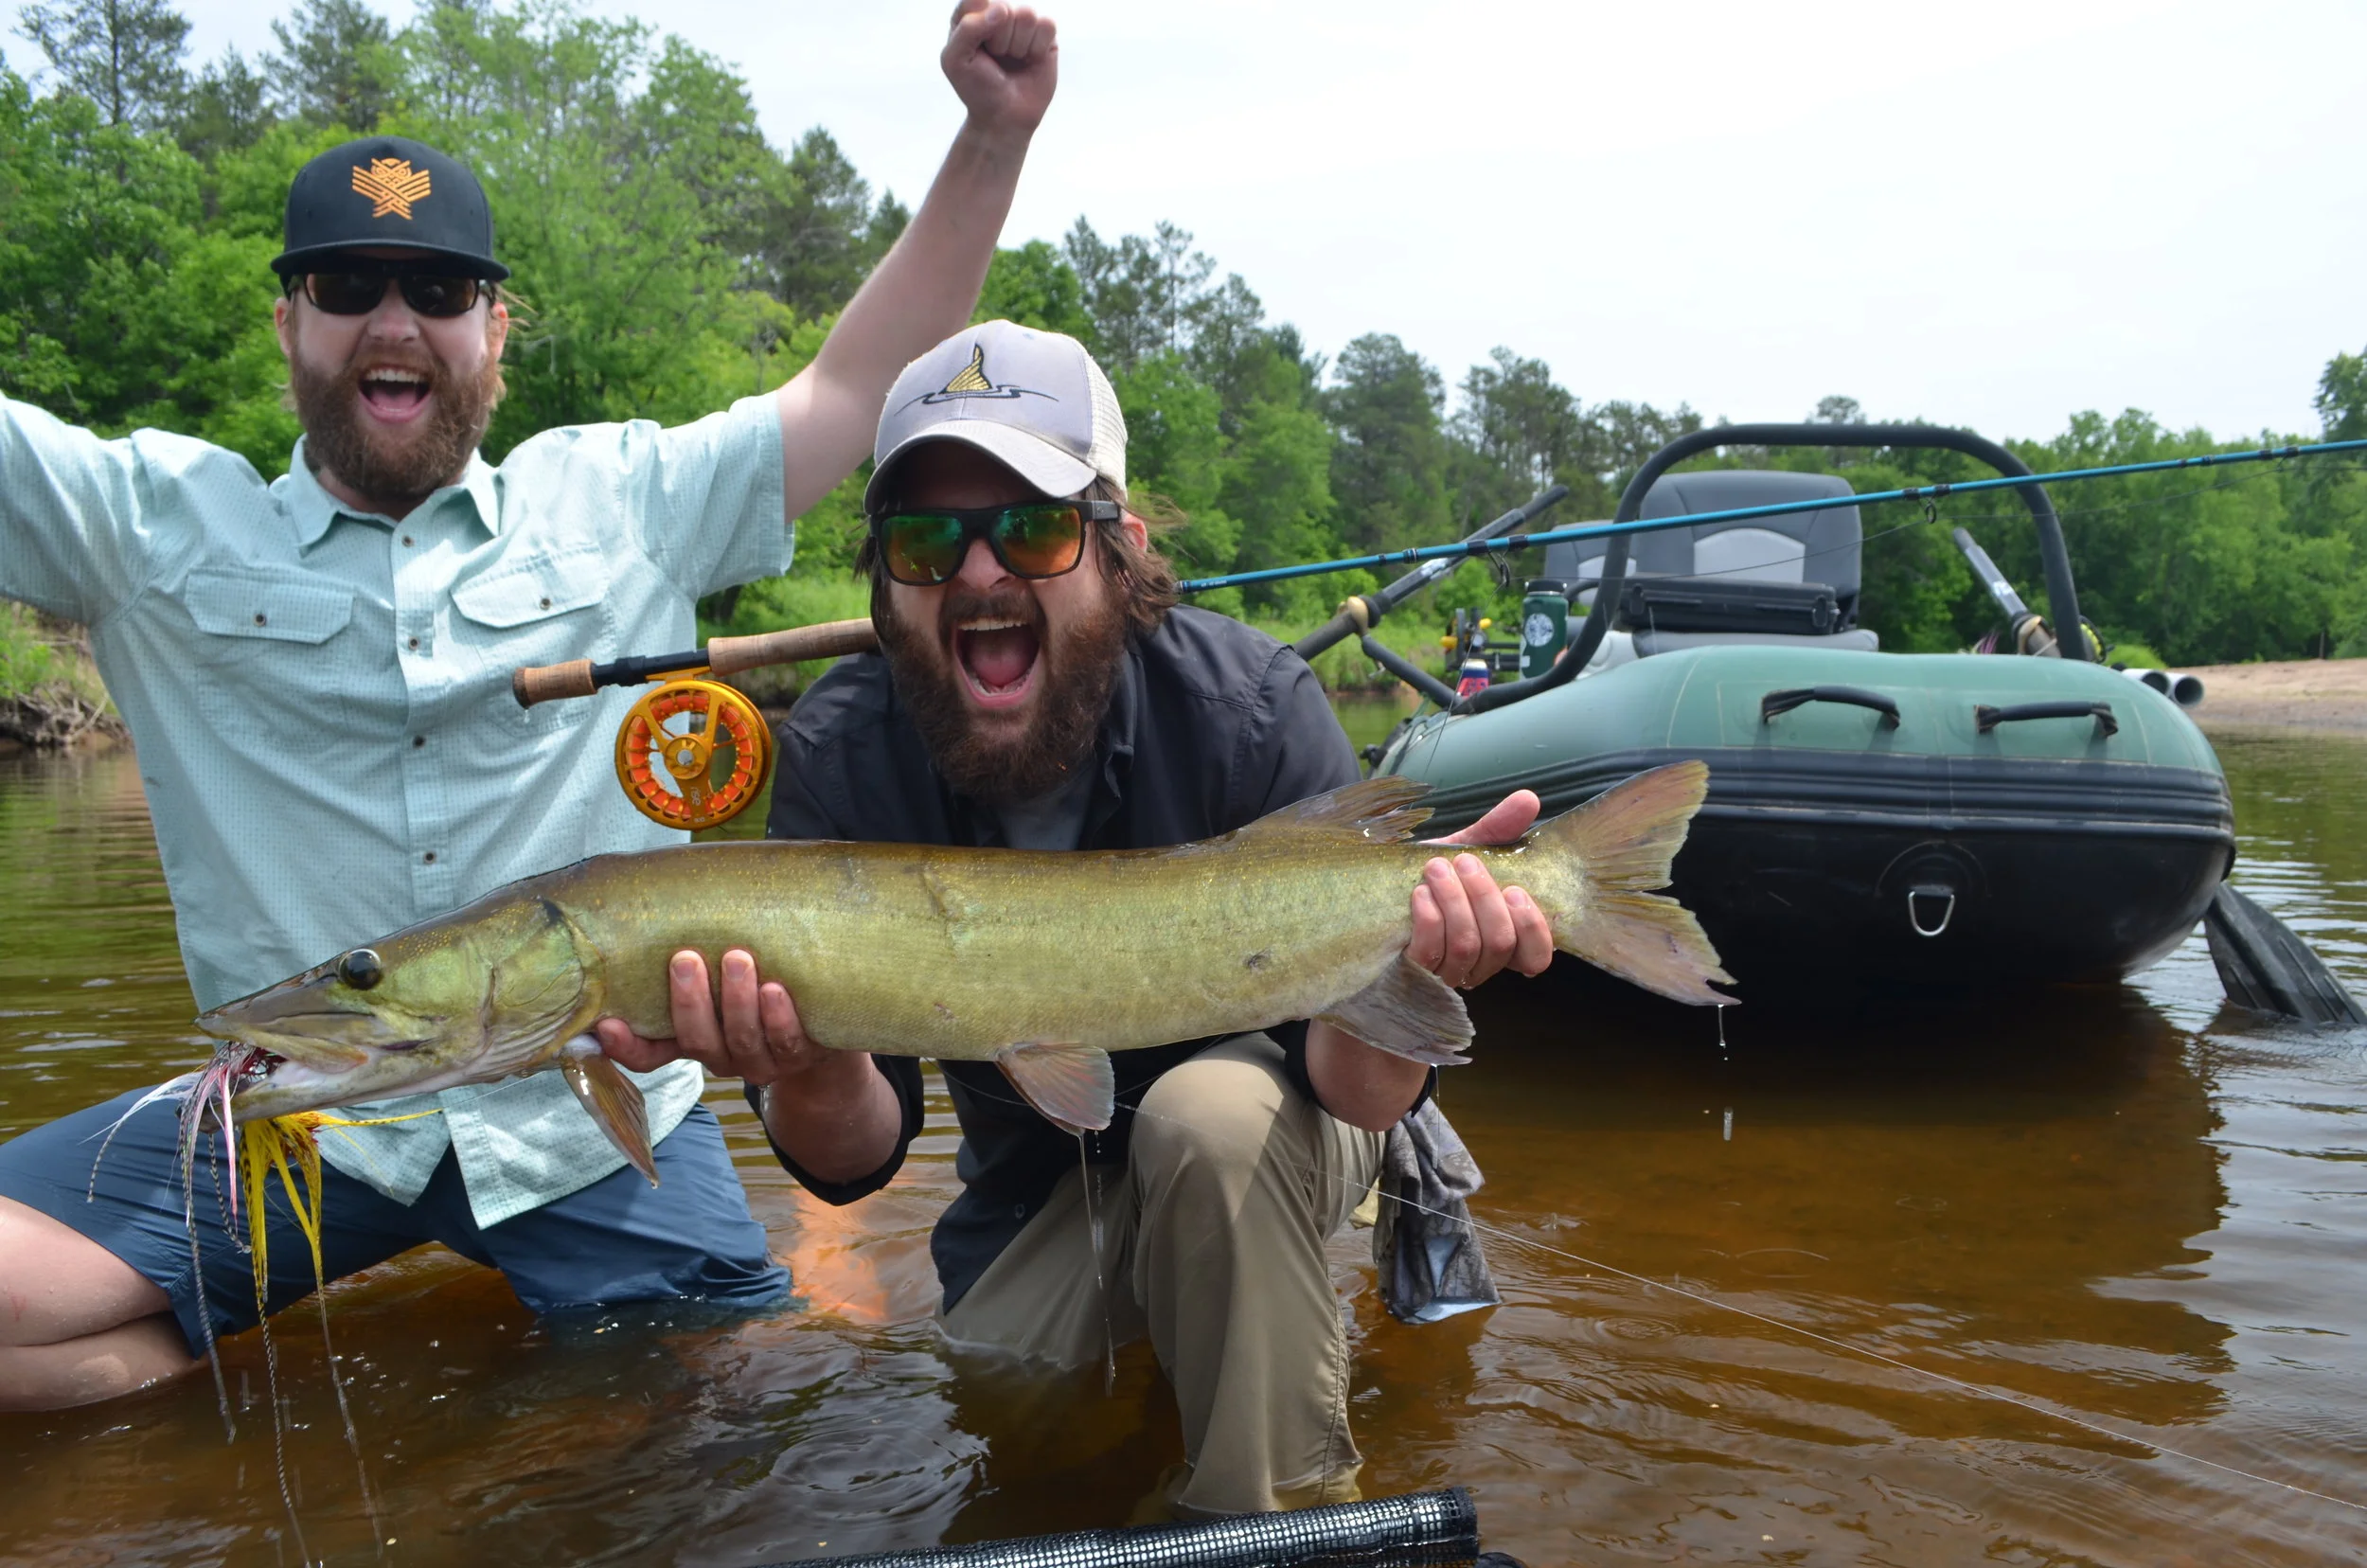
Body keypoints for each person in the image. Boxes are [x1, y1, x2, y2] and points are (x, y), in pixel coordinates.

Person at [0, 2, 1061, 1412]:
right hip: (304, 1118)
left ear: (495, 327)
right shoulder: (141, 530)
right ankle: (190, 1367)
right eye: (349, 286)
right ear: (289, 322)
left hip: (585, 1127)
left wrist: (992, 135)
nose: (396, 321)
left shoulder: (628, 500)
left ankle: (814, 1248)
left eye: (439, 292)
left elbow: (859, 387)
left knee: (742, 1416)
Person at [597, 319, 1557, 1517]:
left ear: (1121, 553)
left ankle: (1279, 1517)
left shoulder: (1254, 710)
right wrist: (805, 1061)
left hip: (1280, 1117)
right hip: (1041, 1188)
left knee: (1205, 1126)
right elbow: (854, 1160)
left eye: (1037, 530)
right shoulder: (844, 750)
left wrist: (1424, 957)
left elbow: (1357, 1092)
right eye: (928, 540)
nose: (981, 575)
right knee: (1015, 1408)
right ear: (889, 582)